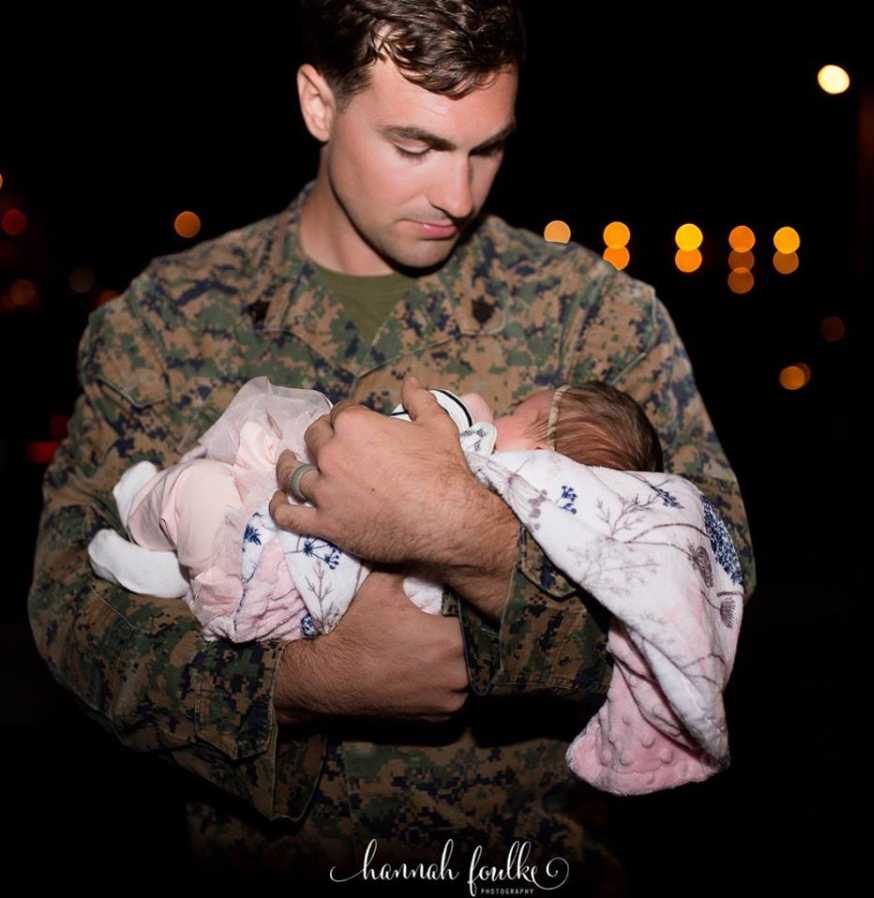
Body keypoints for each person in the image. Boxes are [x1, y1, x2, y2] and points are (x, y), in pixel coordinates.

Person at [27, 0, 755, 888]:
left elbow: (716, 596)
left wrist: (470, 538)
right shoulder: (167, 321)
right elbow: (69, 609)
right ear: (319, 103)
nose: (458, 195)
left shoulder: (594, 316)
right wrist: (299, 683)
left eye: (486, 148)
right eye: (416, 147)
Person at [86, 378, 664, 644]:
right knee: (219, 477)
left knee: (198, 493)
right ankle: (174, 555)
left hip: (282, 570)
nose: (499, 414)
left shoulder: (505, 480)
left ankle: (170, 556)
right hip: (288, 537)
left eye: (518, 412)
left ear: (540, 455)